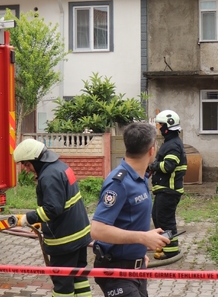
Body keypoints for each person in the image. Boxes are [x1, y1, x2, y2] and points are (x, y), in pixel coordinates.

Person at [91, 122, 170, 297]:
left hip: (136, 268)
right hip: (116, 273)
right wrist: (143, 238)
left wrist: (139, 252)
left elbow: (127, 220)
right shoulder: (119, 183)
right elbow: (97, 230)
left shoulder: (140, 177)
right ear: (152, 150)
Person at [13, 138, 92, 297]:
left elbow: (52, 209)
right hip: (80, 234)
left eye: (27, 164)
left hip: (65, 241)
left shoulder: (49, 175)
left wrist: (27, 218)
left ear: (37, 160)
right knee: (79, 277)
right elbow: (63, 203)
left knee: (62, 284)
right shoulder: (61, 167)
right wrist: (43, 225)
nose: (27, 169)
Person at [149, 110, 187, 259]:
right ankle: (164, 245)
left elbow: (168, 166)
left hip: (169, 190)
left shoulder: (173, 145)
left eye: (161, 125)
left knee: (165, 219)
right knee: (158, 217)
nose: (159, 128)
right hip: (164, 189)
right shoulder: (170, 143)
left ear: (168, 126)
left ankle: (171, 251)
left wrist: (153, 165)